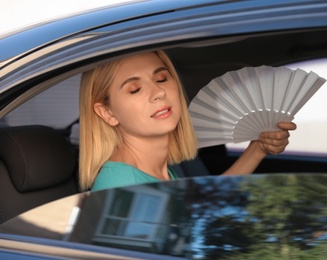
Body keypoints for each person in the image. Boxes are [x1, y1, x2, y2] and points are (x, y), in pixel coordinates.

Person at [79, 50, 296, 192]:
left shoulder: (155, 172)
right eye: (135, 89)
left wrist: (258, 148)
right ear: (107, 113)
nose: (158, 92)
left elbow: (203, 205)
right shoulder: (124, 188)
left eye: (161, 79)